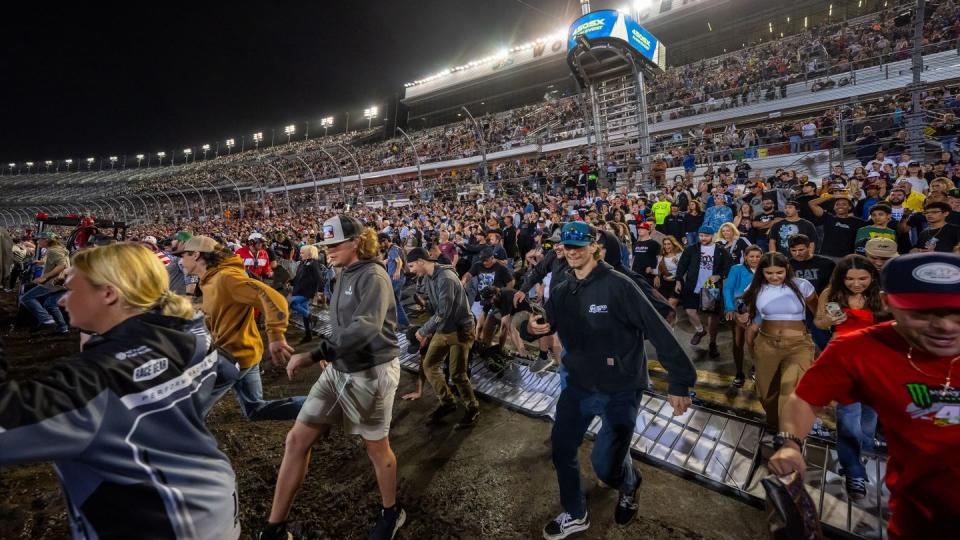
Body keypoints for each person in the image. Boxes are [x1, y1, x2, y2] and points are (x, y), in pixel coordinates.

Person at [0, 243, 241, 539]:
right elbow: (229, 370)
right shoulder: (188, 330)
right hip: (214, 497)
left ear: (109, 293)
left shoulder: (97, 377)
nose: (63, 300)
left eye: (72, 289)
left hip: (160, 521)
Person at [523, 221, 695, 540]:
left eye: (578, 246)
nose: (571, 252)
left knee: (605, 468)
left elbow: (657, 329)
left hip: (620, 388)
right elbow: (546, 323)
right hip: (578, 384)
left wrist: (680, 381)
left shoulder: (620, 285)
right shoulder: (562, 287)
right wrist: (529, 329)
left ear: (594, 247)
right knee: (562, 449)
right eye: (567, 246)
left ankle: (630, 484)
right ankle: (576, 514)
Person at [769, 253, 960, 538]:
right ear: (887, 302)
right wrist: (791, 444)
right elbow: (806, 397)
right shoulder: (855, 350)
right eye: (922, 313)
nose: (945, 325)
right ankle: (856, 472)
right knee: (851, 423)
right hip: (919, 522)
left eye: (956, 311)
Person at [265, 215, 404, 540]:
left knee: (376, 449)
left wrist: (316, 354)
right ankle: (273, 528)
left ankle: (392, 512)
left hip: (372, 370)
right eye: (326, 244)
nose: (328, 250)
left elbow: (365, 329)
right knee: (297, 440)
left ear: (356, 242)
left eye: (334, 244)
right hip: (341, 367)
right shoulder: (343, 272)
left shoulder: (373, 275)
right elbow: (344, 326)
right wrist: (332, 357)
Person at [177, 235, 304, 421]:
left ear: (196, 255)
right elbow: (222, 307)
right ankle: (321, 405)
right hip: (247, 354)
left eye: (183, 256)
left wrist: (276, 335)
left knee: (187, 414)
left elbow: (272, 298)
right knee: (256, 409)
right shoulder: (211, 280)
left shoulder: (225, 278)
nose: (181, 261)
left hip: (231, 357)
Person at [813, 254, 887, 499]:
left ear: (872, 277)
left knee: (869, 415)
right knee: (848, 415)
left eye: (862, 279)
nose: (856, 284)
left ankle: (861, 456)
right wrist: (829, 320)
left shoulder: (880, 297)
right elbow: (819, 323)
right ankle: (853, 471)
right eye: (850, 279)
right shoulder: (831, 294)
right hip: (843, 361)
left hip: (874, 363)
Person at [739, 252, 819, 429]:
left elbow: (817, 313)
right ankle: (775, 427)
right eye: (769, 273)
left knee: (790, 392)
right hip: (766, 345)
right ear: (762, 272)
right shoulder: (755, 289)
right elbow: (753, 318)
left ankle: (787, 435)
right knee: (767, 394)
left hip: (799, 346)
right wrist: (748, 334)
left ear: (787, 269)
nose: (774, 277)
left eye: (779, 272)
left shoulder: (803, 286)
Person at [406, 246, 482, 427]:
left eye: (411, 266)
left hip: (460, 330)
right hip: (444, 328)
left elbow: (443, 312)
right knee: (429, 365)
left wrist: (423, 331)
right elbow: (436, 310)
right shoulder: (428, 278)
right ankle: (448, 403)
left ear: (420, 262)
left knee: (457, 374)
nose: (411, 270)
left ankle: (473, 408)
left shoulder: (445, 278)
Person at [676, 225, 732, 358]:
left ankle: (712, 343)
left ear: (712, 236)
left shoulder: (721, 250)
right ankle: (700, 331)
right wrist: (678, 280)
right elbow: (682, 265)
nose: (703, 238)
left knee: (712, 318)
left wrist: (719, 276)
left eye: (706, 236)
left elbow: (728, 267)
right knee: (689, 311)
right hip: (693, 285)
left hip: (710, 288)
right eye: (701, 235)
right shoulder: (691, 249)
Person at [723, 245, 763, 387]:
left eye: (758, 256)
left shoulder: (765, 270)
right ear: (745, 257)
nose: (754, 259)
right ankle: (739, 372)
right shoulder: (736, 269)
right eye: (751, 256)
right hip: (739, 309)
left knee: (757, 343)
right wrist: (730, 308)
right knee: (738, 342)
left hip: (759, 311)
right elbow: (728, 288)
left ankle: (756, 369)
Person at [19, 231, 70, 335]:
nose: (37, 241)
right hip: (62, 283)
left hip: (52, 283)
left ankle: (46, 319)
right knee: (50, 304)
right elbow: (56, 260)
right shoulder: (58, 249)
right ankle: (63, 328)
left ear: (47, 240)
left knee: (25, 298)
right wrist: (41, 262)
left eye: (40, 239)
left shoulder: (53, 251)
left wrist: (44, 277)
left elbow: (61, 265)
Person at [808, 190, 866, 258]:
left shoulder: (857, 222)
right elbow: (811, 203)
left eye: (844, 204)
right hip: (826, 256)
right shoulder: (828, 218)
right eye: (837, 204)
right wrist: (833, 196)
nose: (840, 206)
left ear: (849, 207)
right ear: (834, 207)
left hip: (846, 258)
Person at [289, 244, 323, 344]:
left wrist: (320, 290)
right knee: (304, 313)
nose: (300, 254)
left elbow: (319, 278)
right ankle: (308, 335)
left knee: (291, 303)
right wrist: (291, 282)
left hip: (306, 291)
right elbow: (298, 275)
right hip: (299, 289)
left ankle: (311, 317)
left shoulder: (313, 264)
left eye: (302, 253)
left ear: (309, 254)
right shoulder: (303, 263)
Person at [379, 232, 409, 329]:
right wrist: (385, 261)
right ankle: (402, 322)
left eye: (381, 242)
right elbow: (394, 259)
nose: (380, 245)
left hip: (395, 279)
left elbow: (399, 261)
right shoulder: (396, 248)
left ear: (386, 240)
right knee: (396, 301)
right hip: (399, 278)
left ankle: (399, 322)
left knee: (389, 300)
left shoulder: (392, 249)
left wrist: (397, 271)